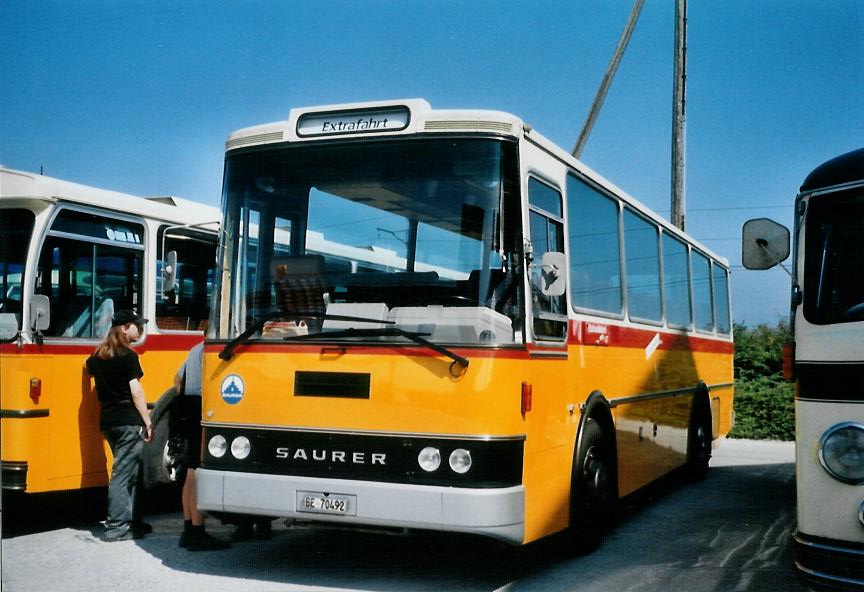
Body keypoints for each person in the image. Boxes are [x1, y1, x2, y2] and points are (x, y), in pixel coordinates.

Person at [85, 309, 153, 542]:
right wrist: (147, 419)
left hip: (108, 420)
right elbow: (136, 391)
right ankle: (116, 526)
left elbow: (88, 368)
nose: (140, 329)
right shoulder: (128, 356)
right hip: (128, 420)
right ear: (125, 328)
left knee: (130, 472)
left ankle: (132, 521)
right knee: (124, 474)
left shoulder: (97, 356)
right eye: (137, 325)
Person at [172, 343, 230, 551]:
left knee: (189, 469)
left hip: (187, 405)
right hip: (202, 406)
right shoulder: (214, 348)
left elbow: (177, 378)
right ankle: (198, 530)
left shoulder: (194, 349)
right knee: (198, 470)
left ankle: (188, 528)